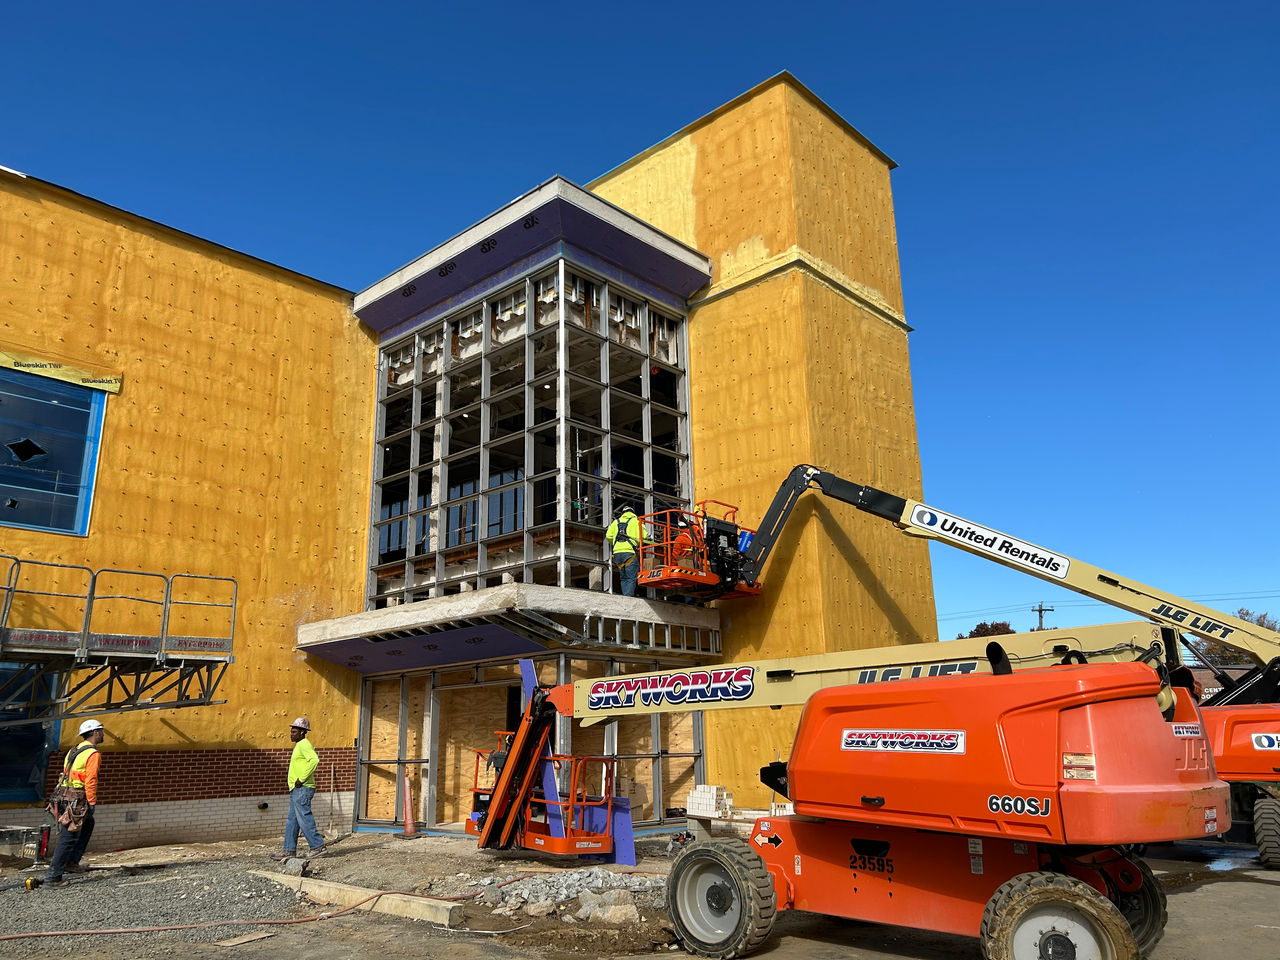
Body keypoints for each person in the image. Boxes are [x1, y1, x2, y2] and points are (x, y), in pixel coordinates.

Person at [44, 718, 105, 885]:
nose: (102, 734)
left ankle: (71, 862)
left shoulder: (75, 750)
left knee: (88, 824)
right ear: (95, 732)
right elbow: (91, 780)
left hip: (64, 797)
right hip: (77, 800)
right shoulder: (93, 753)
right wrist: (91, 802)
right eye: (101, 731)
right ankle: (53, 877)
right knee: (68, 837)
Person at [270, 717, 327, 860]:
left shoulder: (304, 744)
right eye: (291, 731)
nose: (291, 734)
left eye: (294, 732)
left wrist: (301, 779)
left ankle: (318, 846)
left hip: (303, 788)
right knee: (292, 820)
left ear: (302, 732)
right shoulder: (299, 746)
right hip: (296, 789)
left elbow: (314, 760)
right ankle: (289, 850)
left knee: (304, 818)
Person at [605, 504, 642, 596]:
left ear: (622, 513)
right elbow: (644, 536)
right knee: (631, 577)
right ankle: (628, 597)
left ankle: (626, 595)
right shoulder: (636, 521)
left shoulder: (615, 522)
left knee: (623, 577)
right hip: (629, 552)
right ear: (632, 513)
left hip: (617, 553)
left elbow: (608, 536)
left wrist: (615, 542)